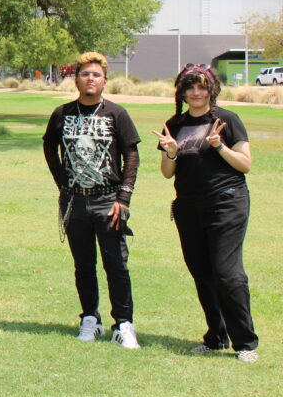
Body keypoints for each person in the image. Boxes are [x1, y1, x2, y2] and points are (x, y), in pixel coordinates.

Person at [153, 65, 258, 362]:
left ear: (211, 89)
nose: (195, 93)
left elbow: (245, 164)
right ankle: (216, 337)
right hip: (188, 206)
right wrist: (171, 151)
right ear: (182, 92)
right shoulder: (174, 124)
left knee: (227, 274)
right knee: (202, 273)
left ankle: (246, 343)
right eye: (189, 87)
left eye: (201, 87)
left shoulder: (228, 120)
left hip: (227, 203)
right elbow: (166, 172)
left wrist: (219, 147)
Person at [42, 52, 141, 349]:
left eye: (96, 75)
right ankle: (90, 318)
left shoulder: (116, 114)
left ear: (104, 81)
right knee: (83, 264)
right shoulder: (62, 113)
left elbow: (131, 156)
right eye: (85, 74)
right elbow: (50, 149)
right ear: (76, 79)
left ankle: (123, 324)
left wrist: (123, 197)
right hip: (75, 202)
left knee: (116, 264)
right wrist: (63, 185)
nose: (90, 79)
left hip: (107, 199)